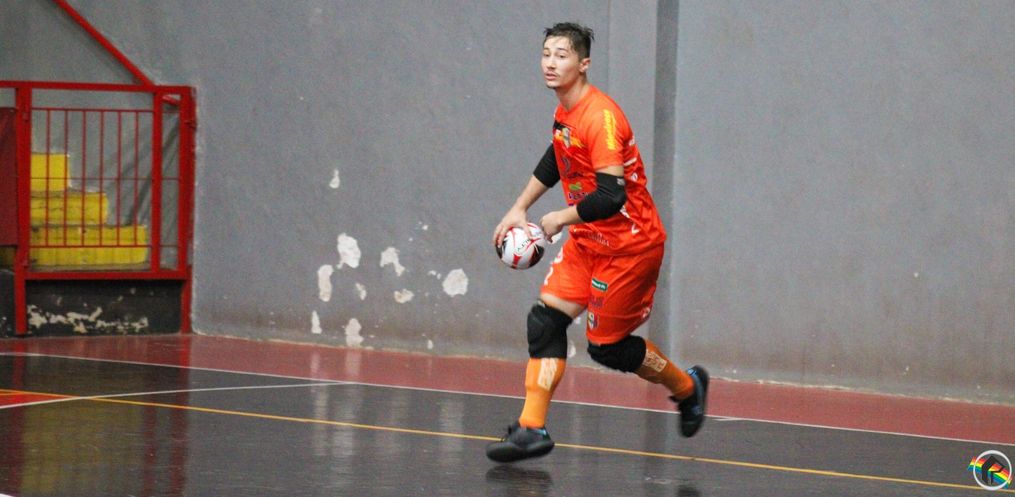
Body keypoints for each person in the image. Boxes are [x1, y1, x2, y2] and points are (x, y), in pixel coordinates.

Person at [486, 22, 708, 463]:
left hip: (629, 247)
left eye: (562, 55)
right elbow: (557, 157)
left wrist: (558, 218)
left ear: (584, 63)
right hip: (589, 240)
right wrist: (519, 208)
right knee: (545, 323)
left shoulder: (600, 117)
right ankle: (531, 429)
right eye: (546, 54)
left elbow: (611, 195)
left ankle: (688, 387)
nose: (551, 63)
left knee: (608, 348)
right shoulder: (566, 112)